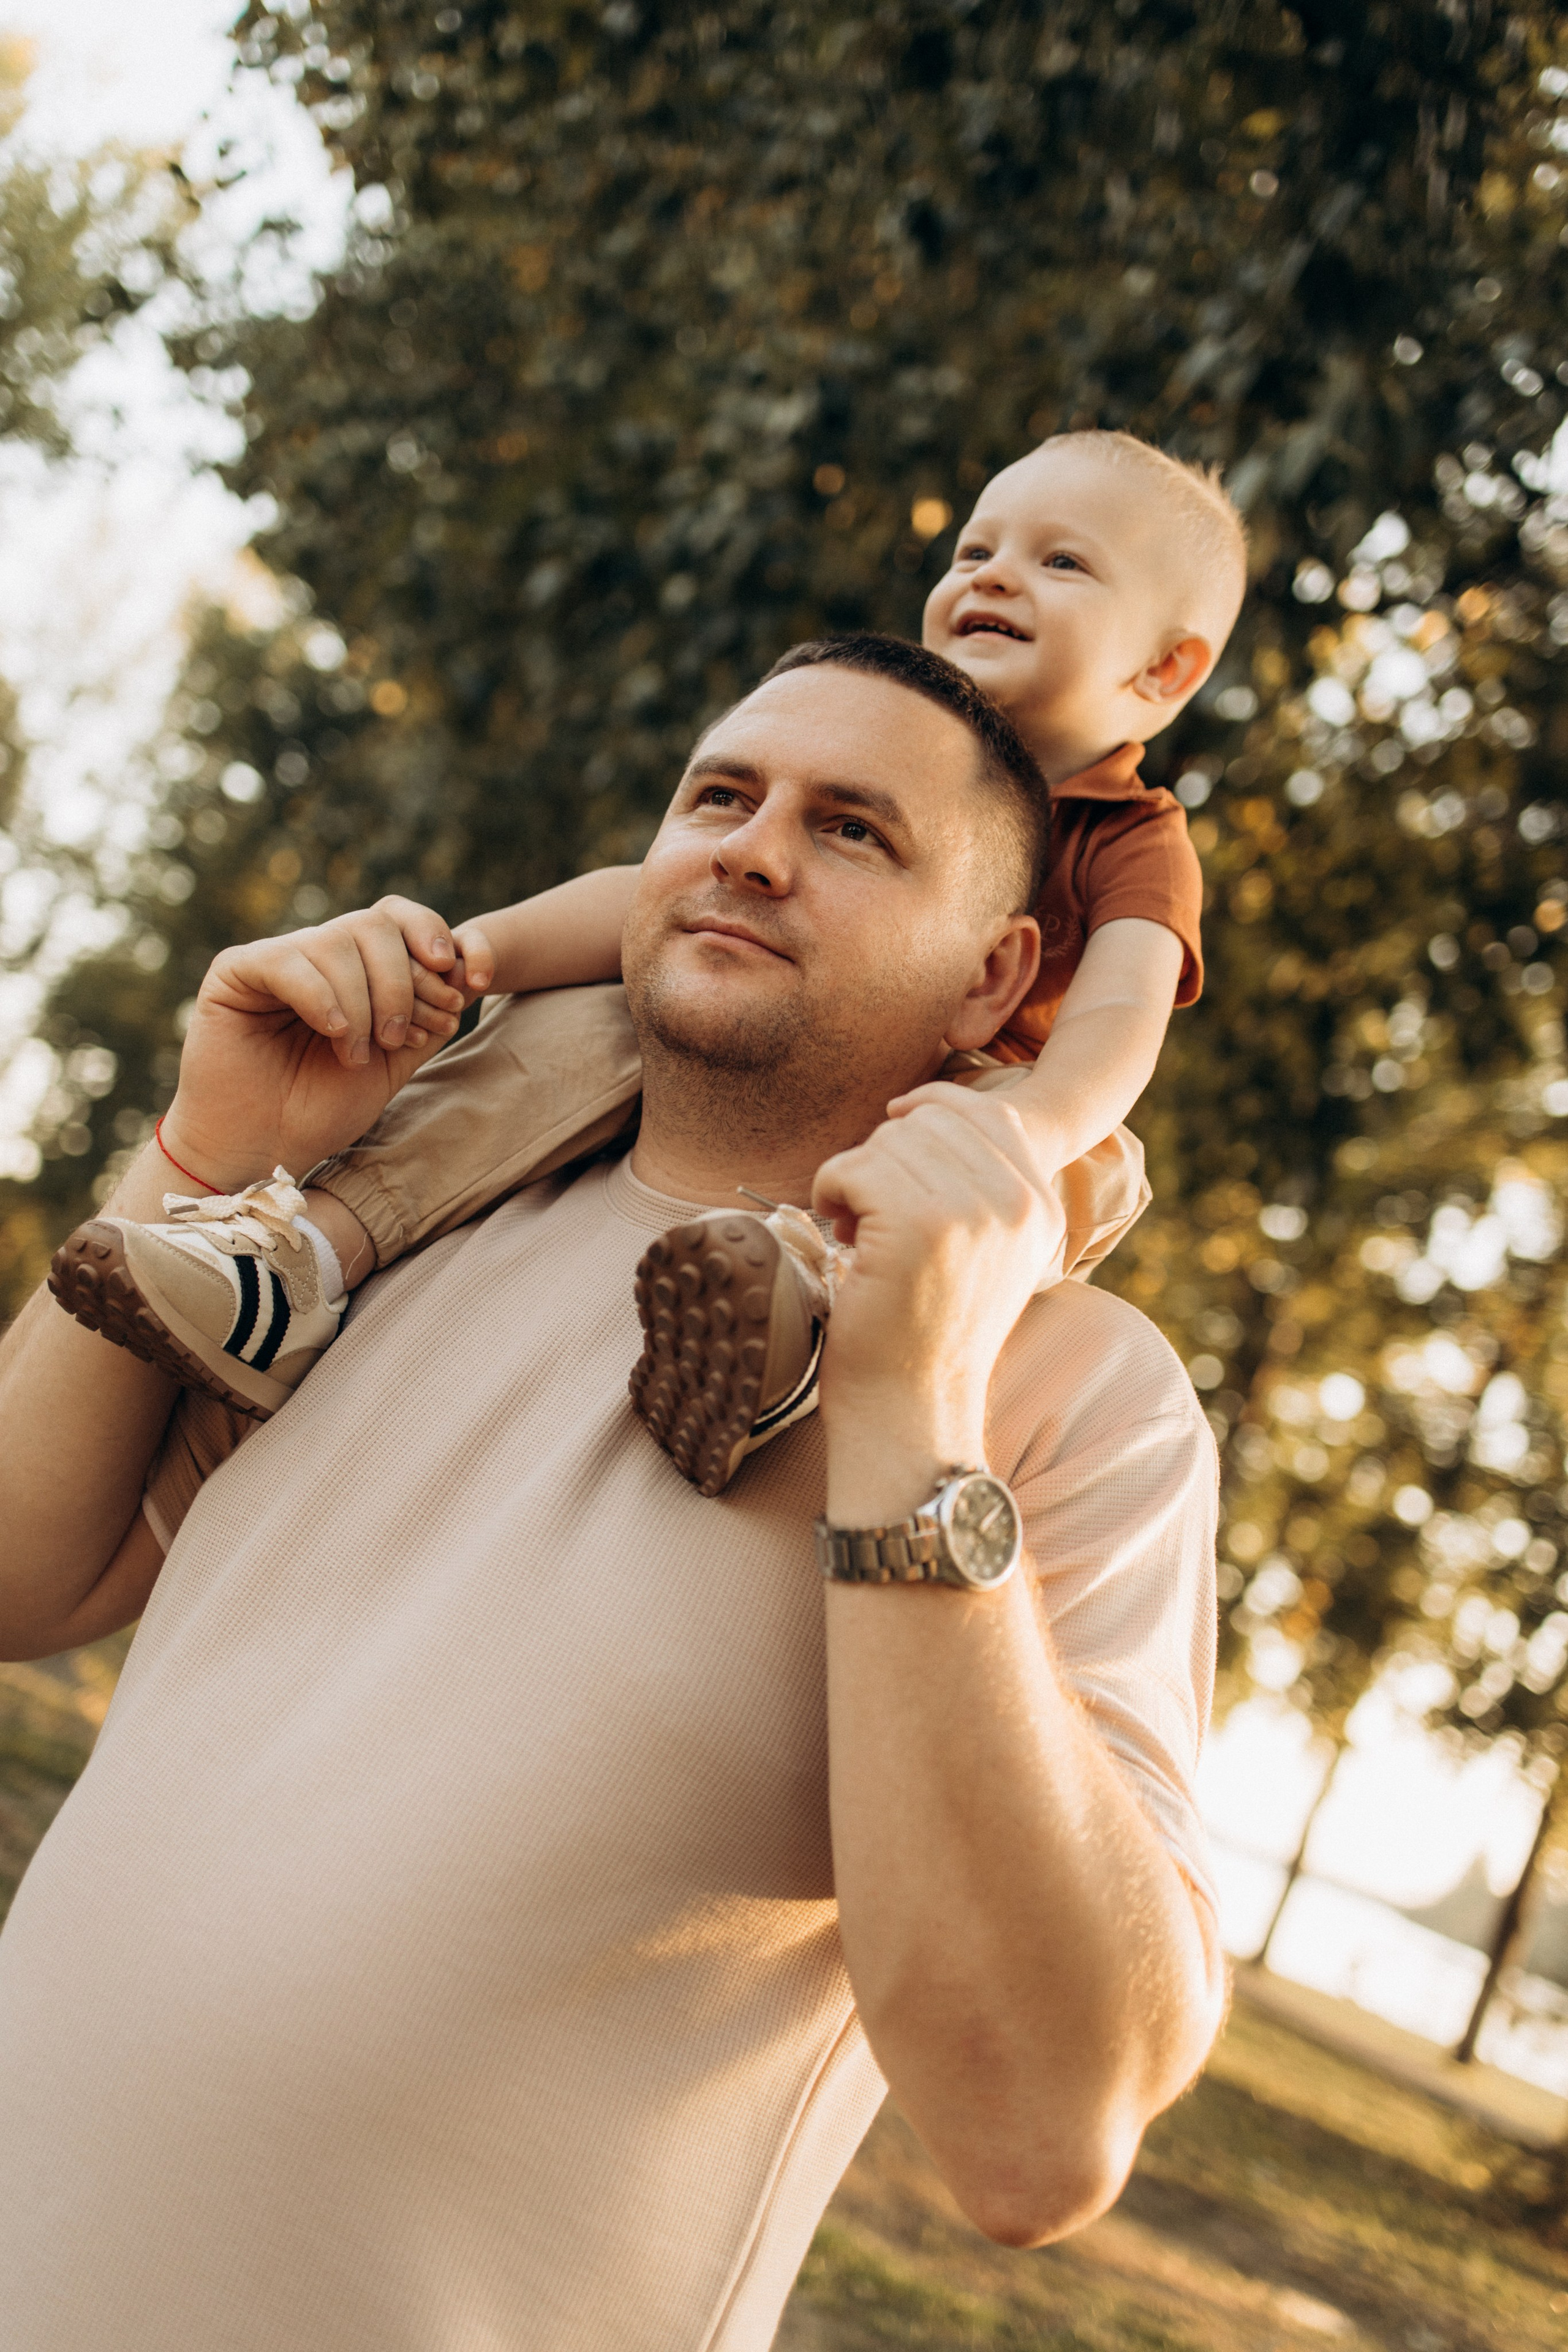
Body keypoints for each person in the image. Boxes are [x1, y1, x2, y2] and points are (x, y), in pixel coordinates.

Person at [0, 639, 1223, 2352]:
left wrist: (919, 1398)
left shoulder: (1074, 1388)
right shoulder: (393, 1221)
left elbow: (1042, 2129)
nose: (751, 847)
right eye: (719, 795)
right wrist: (209, 1156)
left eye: (856, 831)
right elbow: (17, 1581)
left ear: (997, 978)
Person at [49, 430, 1245, 1493]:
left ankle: (783, 1324)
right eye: (974, 548)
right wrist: (471, 958)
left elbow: (1121, 1012)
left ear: (1162, 673)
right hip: (775, 1052)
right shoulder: (857, 731)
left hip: (982, 1090)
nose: (989, 574)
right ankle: (301, 1260)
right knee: (562, 1035)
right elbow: (647, 899)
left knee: (1068, 1174)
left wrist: (1030, 1129)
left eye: (1059, 562)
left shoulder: (1133, 836)